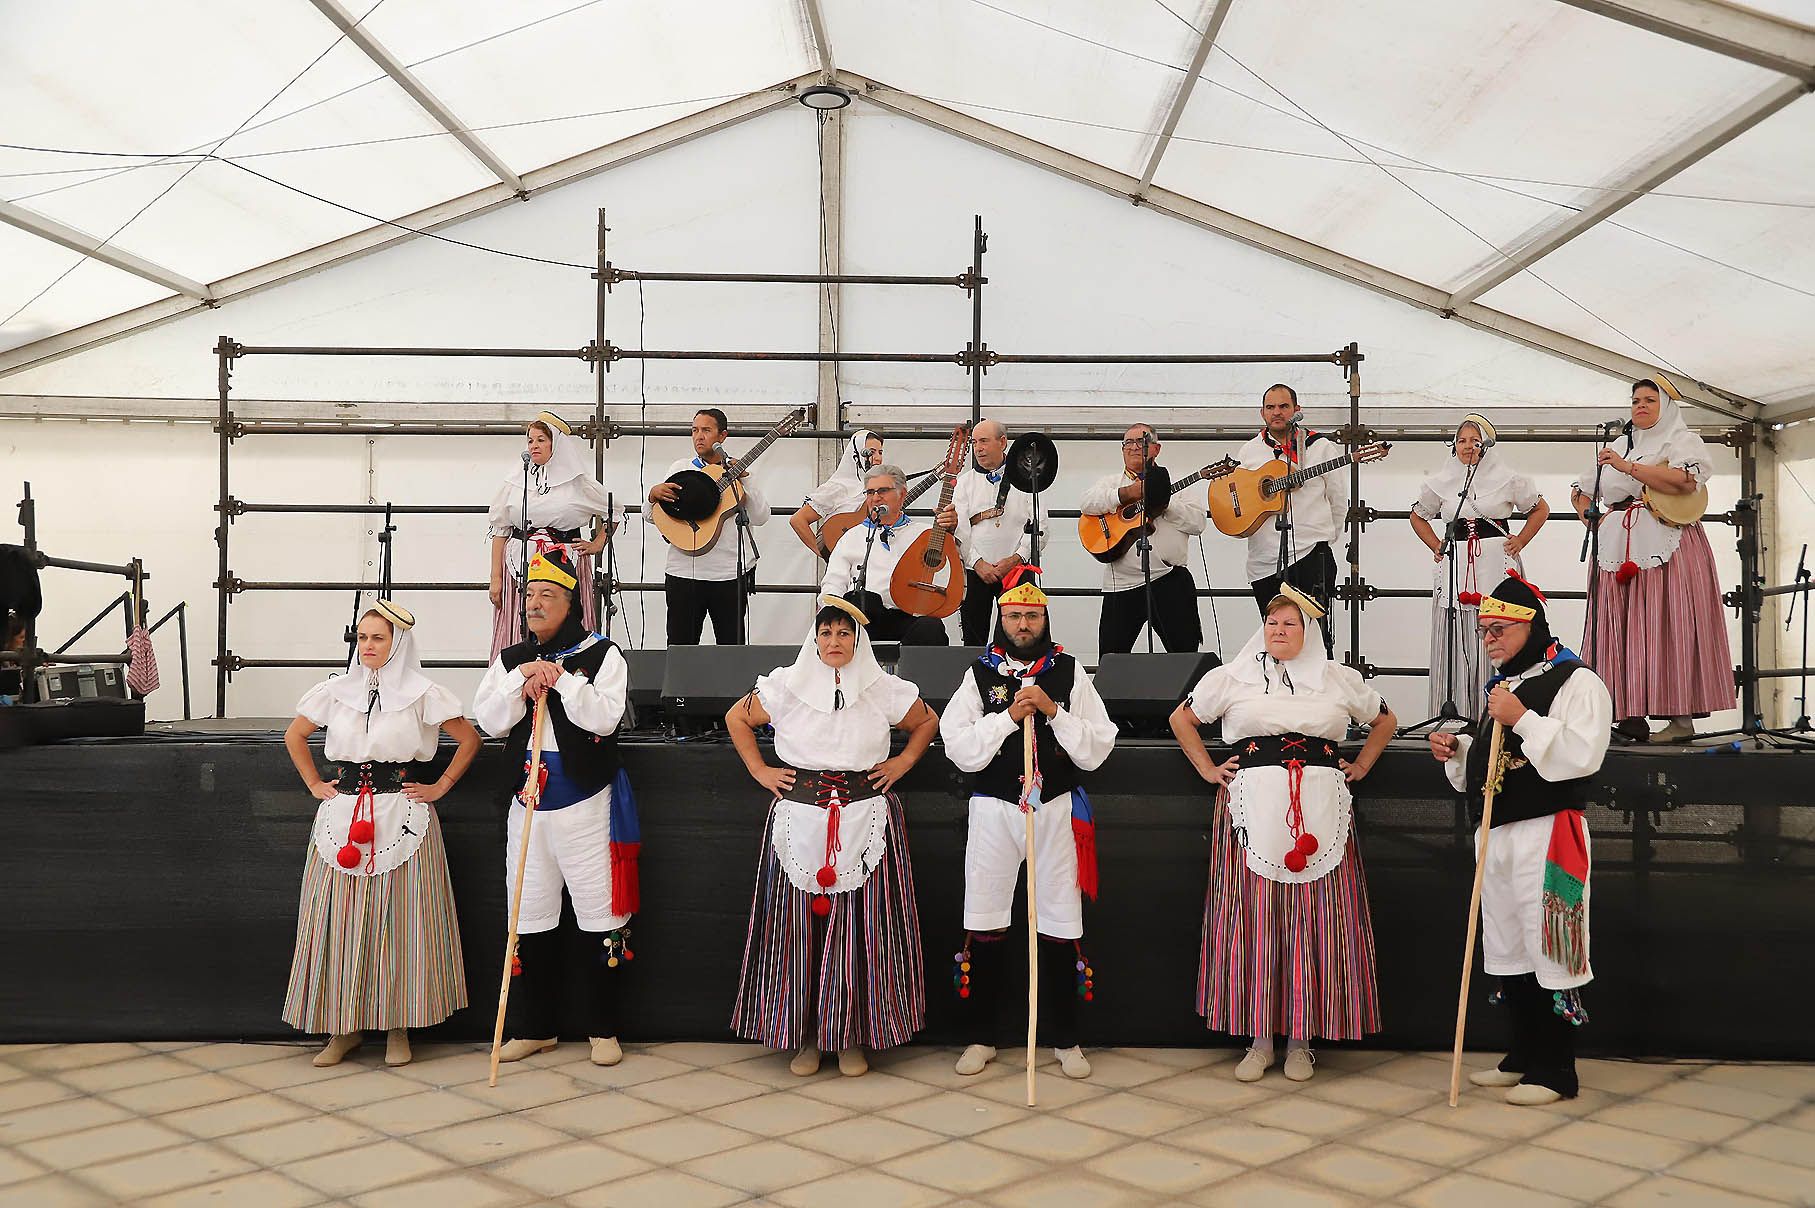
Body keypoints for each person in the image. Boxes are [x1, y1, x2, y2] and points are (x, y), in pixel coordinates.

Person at [1169, 586, 1396, 1082]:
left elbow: (1384, 720)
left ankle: (1301, 1040)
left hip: (1321, 808)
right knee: (1256, 919)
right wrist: (1208, 768)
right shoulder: (1233, 677)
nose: (1279, 631)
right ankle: (1259, 1039)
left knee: (1314, 919)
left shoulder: (1337, 679)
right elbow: (1181, 718)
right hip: (1254, 808)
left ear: (1308, 630)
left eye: (1291, 624)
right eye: (1273, 623)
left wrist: (1361, 763)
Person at [726, 595, 940, 1076]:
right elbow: (736, 718)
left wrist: (904, 761)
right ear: (814, 639)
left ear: (857, 638)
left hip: (865, 820)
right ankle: (804, 1040)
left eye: (844, 632)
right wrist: (760, 770)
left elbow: (926, 720)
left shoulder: (880, 687)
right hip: (799, 821)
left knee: (861, 932)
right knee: (798, 932)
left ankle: (851, 1040)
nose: (834, 641)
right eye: (826, 633)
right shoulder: (786, 685)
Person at [1429, 573, 1610, 1105]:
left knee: (1550, 940)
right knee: (1509, 942)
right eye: (1484, 631)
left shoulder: (1577, 681)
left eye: (1499, 629)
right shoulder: (1504, 689)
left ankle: (1557, 1070)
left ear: (1531, 626)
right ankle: (1523, 1055)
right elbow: (1496, 765)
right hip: (1502, 831)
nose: (1489, 639)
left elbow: (1582, 754)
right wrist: (1459, 750)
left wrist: (1524, 718)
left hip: (1551, 830)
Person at [281, 599, 480, 1068]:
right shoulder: (335, 690)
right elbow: (294, 735)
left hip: (402, 816)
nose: (368, 646)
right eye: (363, 637)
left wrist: (440, 785)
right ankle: (342, 1028)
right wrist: (314, 783)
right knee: (341, 921)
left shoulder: (423, 692)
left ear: (398, 643)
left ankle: (398, 1027)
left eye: (379, 638)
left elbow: (469, 739)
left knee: (401, 923)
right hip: (343, 817)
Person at [940, 568, 1117, 1079]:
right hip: (994, 809)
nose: (1022, 623)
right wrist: (1008, 717)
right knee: (986, 916)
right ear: (1001, 619)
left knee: (1060, 920)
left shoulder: (1069, 670)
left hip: (1054, 809)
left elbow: (1099, 744)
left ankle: (1065, 1039)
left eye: (1031, 615)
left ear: (1045, 619)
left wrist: (1053, 711)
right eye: (1014, 615)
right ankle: (981, 1037)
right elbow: (959, 747)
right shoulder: (979, 674)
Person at [473, 548, 639, 1067]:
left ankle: (603, 1029)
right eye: (529, 595)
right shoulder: (509, 658)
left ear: (571, 603)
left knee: (599, 912)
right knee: (529, 911)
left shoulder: (603, 654)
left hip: (583, 802)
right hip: (527, 803)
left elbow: (605, 720)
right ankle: (534, 1027)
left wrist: (563, 681)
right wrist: (523, 686)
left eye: (547, 596)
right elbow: (489, 720)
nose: (535, 604)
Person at [1571, 375, 1733, 743]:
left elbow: (1684, 481)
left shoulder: (1682, 440)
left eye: (1649, 400)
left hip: (1666, 542)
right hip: (1616, 546)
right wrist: (1590, 517)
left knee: (1666, 621)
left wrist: (1628, 468)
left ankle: (1680, 720)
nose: (1640, 406)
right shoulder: (1619, 444)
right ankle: (1629, 715)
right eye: (1635, 401)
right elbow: (1579, 491)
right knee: (1621, 624)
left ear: (1667, 407)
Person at [1410, 414, 1549, 719]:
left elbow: (1540, 508)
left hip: (1495, 564)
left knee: (1497, 632)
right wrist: (1436, 544)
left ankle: (1497, 714)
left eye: (1474, 440)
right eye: (1461, 440)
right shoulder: (1441, 482)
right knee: (1456, 639)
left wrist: (1521, 540)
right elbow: (1418, 516)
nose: (1467, 446)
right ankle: (1455, 713)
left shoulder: (1509, 478)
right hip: (1457, 567)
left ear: (1487, 445)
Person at [486, 412, 617, 661]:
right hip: (520, 565)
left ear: (555, 444)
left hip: (563, 562)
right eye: (530, 441)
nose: (534, 446)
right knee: (522, 620)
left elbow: (613, 509)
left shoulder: (577, 483)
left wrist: (598, 543)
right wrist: (495, 578)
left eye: (541, 440)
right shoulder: (516, 482)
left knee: (560, 617)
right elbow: (500, 529)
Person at [1237, 385, 1346, 658]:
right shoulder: (1249, 452)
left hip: (1311, 554)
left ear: (1297, 411)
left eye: (1284, 407)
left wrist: (1322, 538)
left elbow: (1338, 499)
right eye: (1271, 407)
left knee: (1314, 638)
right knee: (1274, 639)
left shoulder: (1320, 447)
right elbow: (1241, 498)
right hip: (1265, 559)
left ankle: (1317, 698)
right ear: (1262, 413)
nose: (1277, 413)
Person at [1079, 424, 1206, 655]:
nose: (1135, 447)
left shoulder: (1175, 482)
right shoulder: (1110, 482)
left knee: (1184, 656)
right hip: (1121, 583)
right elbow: (1087, 503)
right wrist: (1126, 494)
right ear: (1122, 449)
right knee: (1112, 658)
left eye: (1142, 442)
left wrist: (1165, 502)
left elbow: (1198, 524)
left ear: (1156, 449)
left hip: (1169, 580)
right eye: (1129, 442)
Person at [647, 408, 770, 644]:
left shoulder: (737, 473)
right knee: (680, 647)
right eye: (694, 430)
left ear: (722, 436)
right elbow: (652, 516)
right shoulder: (680, 468)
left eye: (706, 430)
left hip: (728, 576)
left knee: (731, 649)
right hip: (682, 572)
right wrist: (652, 496)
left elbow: (760, 517)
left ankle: (732, 684)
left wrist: (747, 480)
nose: (699, 436)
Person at [821, 464, 957, 645]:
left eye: (883, 491)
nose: (876, 498)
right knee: (861, 604)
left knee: (931, 628)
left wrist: (952, 531)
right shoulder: (851, 537)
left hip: (909, 615)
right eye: (870, 492)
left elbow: (950, 572)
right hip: (865, 616)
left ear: (902, 494)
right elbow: (833, 583)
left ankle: (918, 674)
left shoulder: (924, 534)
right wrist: (832, 612)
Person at [953, 419, 1039, 646]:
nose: (978, 448)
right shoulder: (964, 483)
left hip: (1017, 571)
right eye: (974, 442)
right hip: (975, 572)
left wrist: (1015, 559)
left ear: (1003, 442)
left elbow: (1041, 527)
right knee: (974, 641)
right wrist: (978, 563)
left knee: (1020, 639)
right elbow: (959, 530)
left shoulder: (1027, 479)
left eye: (984, 441)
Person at [791, 430, 884, 560]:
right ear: (856, 455)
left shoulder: (878, 488)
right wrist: (823, 553)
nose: (878, 458)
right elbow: (798, 520)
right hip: (844, 565)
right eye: (871, 452)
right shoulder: (838, 487)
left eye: (880, 452)